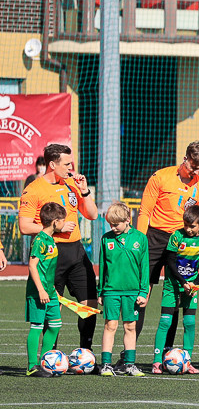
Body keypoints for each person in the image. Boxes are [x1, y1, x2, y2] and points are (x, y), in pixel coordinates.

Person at [19, 142, 99, 350]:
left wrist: (85, 191)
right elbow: (24, 226)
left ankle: (86, 354)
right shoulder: (34, 189)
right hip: (51, 253)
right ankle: (50, 355)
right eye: (66, 164)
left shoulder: (72, 184)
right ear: (53, 164)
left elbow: (92, 215)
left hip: (77, 251)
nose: (71, 168)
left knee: (89, 303)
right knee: (52, 307)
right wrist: (56, 229)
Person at [135, 141, 199, 349]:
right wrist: (140, 243)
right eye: (193, 167)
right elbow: (145, 212)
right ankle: (129, 352)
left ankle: (167, 351)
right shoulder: (160, 177)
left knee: (177, 291)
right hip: (154, 238)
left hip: (183, 242)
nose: (196, 172)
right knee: (142, 292)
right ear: (185, 158)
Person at [151, 204, 199, 374]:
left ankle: (188, 361)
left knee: (189, 322)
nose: (188, 229)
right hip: (173, 284)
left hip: (191, 286)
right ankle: (156, 362)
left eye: (192, 226)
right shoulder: (176, 236)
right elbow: (170, 261)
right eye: (186, 225)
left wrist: (195, 283)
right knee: (165, 321)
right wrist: (183, 282)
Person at [97, 201, 149, 377]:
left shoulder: (140, 238)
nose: (112, 227)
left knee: (130, 327)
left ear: (128, 219)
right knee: (110, 325)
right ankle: (105, 364)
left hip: (132, 292)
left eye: (116, 224)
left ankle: (130, 364)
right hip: (111, 290)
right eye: (110, 224)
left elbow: (145, 268)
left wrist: (143, 292)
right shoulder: (106, 239)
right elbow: (103, 267)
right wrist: (100, 292)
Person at [24, 202, 66, 377]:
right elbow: (33, 266)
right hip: (38, 292)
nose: (64, 223)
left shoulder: (51, 240)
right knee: (37, 326)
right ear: (55, 222)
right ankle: (32, 366)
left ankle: (45, 363)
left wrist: (52, 289)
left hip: (50, 291)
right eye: (63, 220)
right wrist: (41, 290)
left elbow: (47, 269)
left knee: (55, 325)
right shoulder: (40, 240)